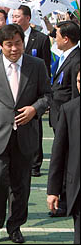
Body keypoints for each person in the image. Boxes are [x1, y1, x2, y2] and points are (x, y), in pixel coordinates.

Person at [0, 24, 52, 244]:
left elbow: (47, 95)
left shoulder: (37, 65)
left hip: (25, 136)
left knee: (21, 184)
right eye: (9, 45)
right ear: (1, 46)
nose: (14, 49)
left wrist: (35, 108)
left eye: (18, 43)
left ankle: (15, 226)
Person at [11, 5, 52, 177]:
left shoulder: (40, 38)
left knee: (35, 126)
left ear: (28, 18)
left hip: (34, 89)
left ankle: (36, 163)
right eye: (12, 16)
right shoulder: (10, 37)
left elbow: (46, 65)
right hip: (15, 86)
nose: (14, 19)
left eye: (17, 16)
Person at [48, 20, 80, 217]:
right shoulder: (65, 57)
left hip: (68, 119)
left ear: (66, 39)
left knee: (69, 159)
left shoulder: (76, 60)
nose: (55, 39)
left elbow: (75, 96)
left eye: (57, 35)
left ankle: (67, 200)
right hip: (60, 117)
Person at [47, 67, 80, 244]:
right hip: (78, 189)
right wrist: (53, 191)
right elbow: (58, 153)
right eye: (79, 82)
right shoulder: (69, 110)